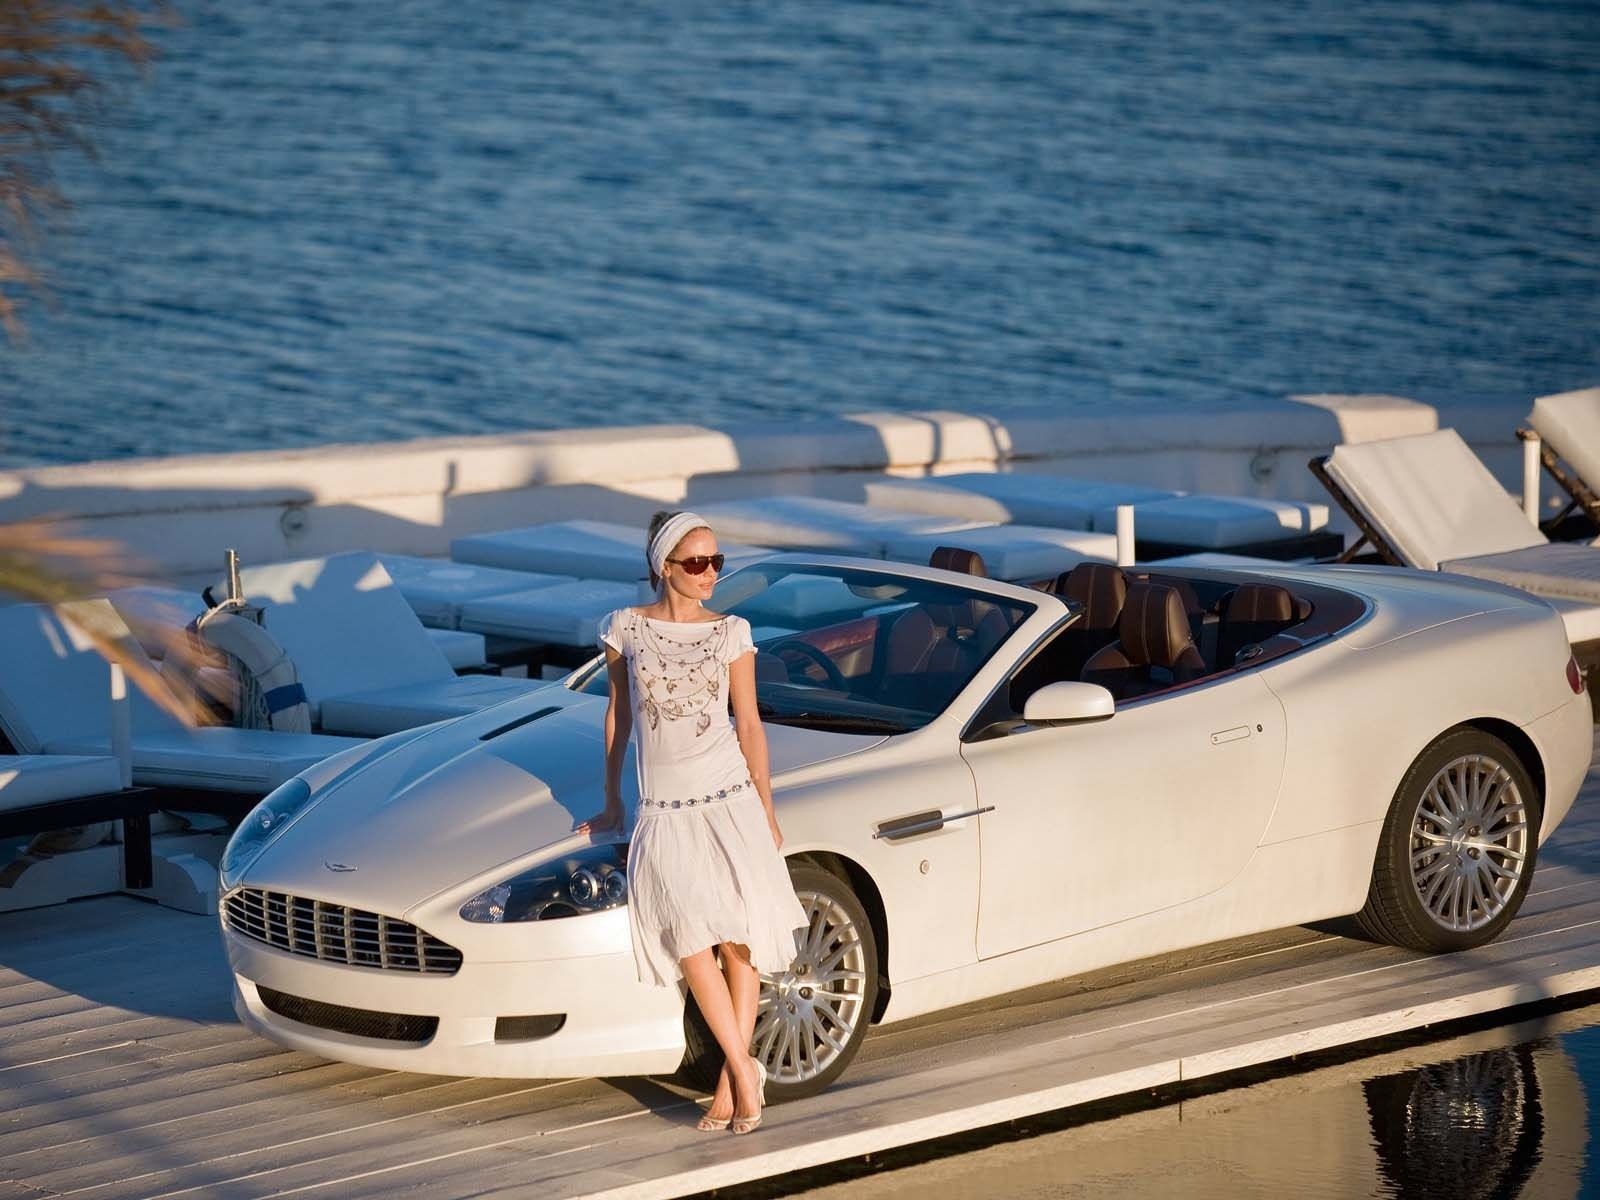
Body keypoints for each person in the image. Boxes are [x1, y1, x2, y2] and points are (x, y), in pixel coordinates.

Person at [578, 510, 806, 1135]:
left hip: (729, 798)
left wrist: (766, 808)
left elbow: (750, 724)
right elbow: (619, 717)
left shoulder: (732, 631)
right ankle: (743, 1066)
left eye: (716, 562)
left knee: (738, 944)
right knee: (689, 944)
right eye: (697, 563)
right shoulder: (625, 628)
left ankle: (731, 1089)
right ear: (663, 567)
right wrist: (611, 800)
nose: (710, 574)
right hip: (664, 808)